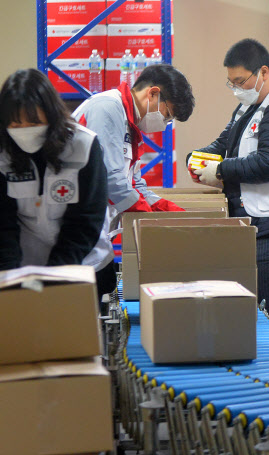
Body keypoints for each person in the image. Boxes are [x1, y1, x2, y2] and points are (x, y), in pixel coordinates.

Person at [189, 38, 269, 342]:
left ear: (262, 72)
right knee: (257, 301)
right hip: (258, 217)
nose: (236, 88)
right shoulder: (251, 104)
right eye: (230, 82)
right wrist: (198, 158)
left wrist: (220, 170)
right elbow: (226, 143)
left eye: (239, 80)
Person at [72, 63, 195, 295]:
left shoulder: (130, 124)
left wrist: (163, 208)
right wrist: (146, 216)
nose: (165, 124)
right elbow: (110, 178)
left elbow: (134, 183)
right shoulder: (107, 108)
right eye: (167, 116)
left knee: (105, 287)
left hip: (97, 235)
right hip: (76, 233)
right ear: (153, 93)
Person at [0, 69, 107, 286]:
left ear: (51, 114)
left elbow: (86, 220)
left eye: (34, 122)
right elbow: (1, 225)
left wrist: (54, 277)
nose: (24, 130)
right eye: (15, 124)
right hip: (24, 266)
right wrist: (10, 277)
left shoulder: (83, 146)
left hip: (82, 264)